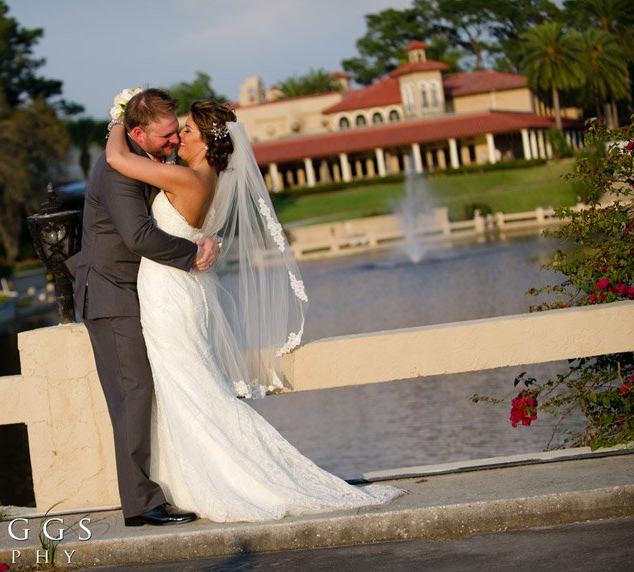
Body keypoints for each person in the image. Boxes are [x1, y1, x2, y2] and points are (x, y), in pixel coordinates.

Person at [105, 97, 405, 522]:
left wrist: (117, 117)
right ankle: (188, 481)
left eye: (186, 132)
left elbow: (116, 157)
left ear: (208, 141)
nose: (178, 139)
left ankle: (233, 480)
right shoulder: (204, 178)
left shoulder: (184, 178)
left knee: (192, 391)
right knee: (189, 388)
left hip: (171, 296)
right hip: (177, 291)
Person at [67, 89, 221, 527]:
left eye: (178, 132)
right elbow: (136, 235)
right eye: (167, 135)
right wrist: (191, 255)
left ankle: (164, 487)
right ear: (138, 132)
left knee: (145, 391)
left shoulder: (139, 156)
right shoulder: (117, 172)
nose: (174, 141)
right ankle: (140, 504)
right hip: (111, 294)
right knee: (133, 395)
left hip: (137, 292)